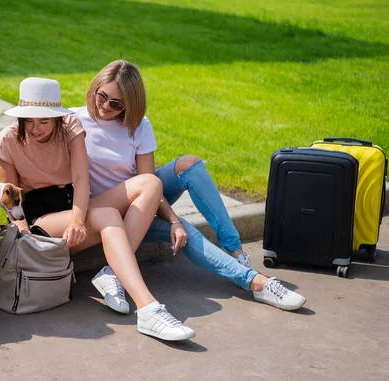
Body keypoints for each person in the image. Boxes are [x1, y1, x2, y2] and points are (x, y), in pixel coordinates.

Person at [74, 60, 306, 313]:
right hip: (105, 214)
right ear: (95, 88)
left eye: (116, 103)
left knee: (190, 165)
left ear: (130, 104)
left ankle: (237, 253)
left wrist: (172, 220)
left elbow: (147, 182)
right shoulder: (75, 121)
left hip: (139, 208)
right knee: (186, 230)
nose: (106, 106)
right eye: (102, 96)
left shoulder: (139, 126)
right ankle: (255, 282)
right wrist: (175, 221)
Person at [0, 77, 195, 341]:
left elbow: (81, 179)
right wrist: (24, 237)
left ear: (56, 117)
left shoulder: (70, 127)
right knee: (109, 215)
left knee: (150, 182)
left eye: (43, 121)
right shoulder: (7, 140)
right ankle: (148, 307)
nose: (35, 128)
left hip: (76, 211)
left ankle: (114, 274)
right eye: (28, 120)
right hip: (41, 223)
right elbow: (11, 199)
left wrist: (77, 220)